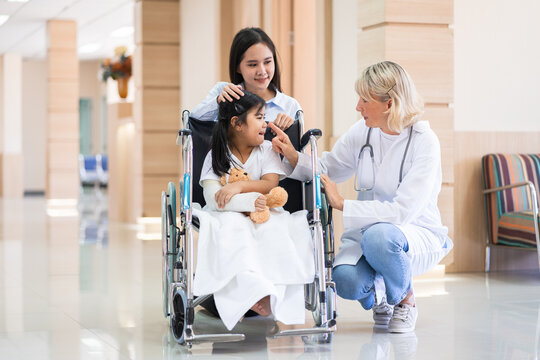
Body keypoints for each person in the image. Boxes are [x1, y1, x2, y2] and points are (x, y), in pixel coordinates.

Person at [270, 61, 453, 333]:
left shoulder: (424, 141)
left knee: (379, 238)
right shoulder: (364, 130)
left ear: (389, 104)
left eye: (364, 99)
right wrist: (293, 156)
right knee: (345, 281)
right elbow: (328, 166)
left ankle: (405, 299)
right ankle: (381, 296)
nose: (358, 106)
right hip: (370, 235)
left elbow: (402, 212)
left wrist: (342, 203)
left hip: (413, 234)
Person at [192, 91, 314, 331]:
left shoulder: (267, 149)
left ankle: (271, 290)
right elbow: (211, 196)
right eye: (258, 118)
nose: (265, 124)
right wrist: (245, 203)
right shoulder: (217, 154)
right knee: (234, 232)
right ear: (237, 124)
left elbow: (270, 184)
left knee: (274, 232)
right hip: (228, 214)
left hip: (264, 211)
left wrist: (238, 186)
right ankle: (249, 291)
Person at [191, 27, 300, 131]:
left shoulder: (290, 106)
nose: (262, 71)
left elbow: (299, 149)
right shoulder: (222, 92)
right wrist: (219, 101)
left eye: (267, 62)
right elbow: (192, 122)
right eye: (253, 64)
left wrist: (291, 131)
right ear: (237, 67)